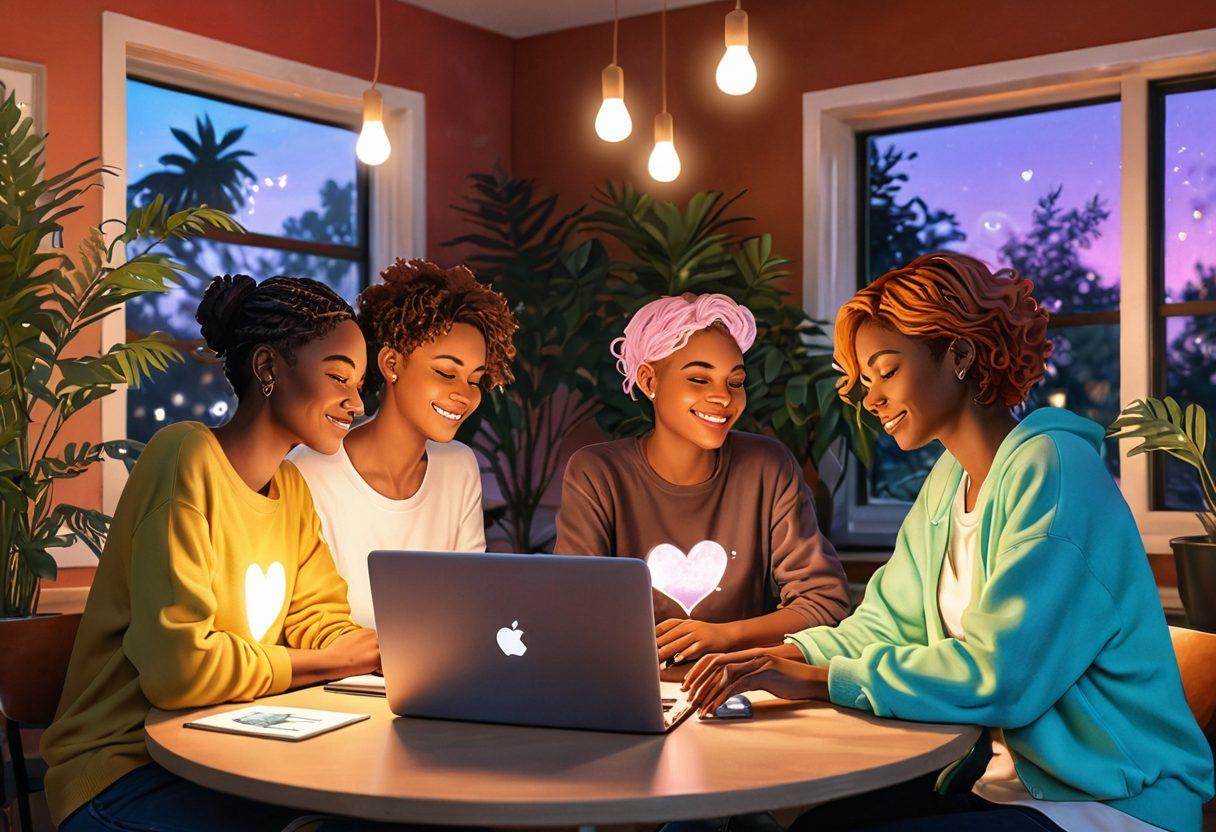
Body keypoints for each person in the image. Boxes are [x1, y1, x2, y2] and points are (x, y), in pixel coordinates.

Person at [683, 253, 1215, 832]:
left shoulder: (1055, 471)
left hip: (1109, 804)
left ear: (959, 355)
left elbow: (1003, 674)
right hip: (1004, 785)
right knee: (817, 828)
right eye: (865, 381)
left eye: (887, 371)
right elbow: (887, 624)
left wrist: (817, 681)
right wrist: (784, 657)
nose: (872, 399)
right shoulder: (948, 482)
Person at [43, 275, 380, 831]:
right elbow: (179, 672)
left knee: (369, 819)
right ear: (268, 367)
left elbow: (320, 621)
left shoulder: (291, 488)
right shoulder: (184, 456)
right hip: (124, 773)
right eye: (338, 376)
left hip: (229, 752)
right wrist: (328, 662)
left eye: (360, 382)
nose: (356, 401)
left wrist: (387, 650)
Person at [555, 293, 849, 665]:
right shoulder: (597, 473)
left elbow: (824, 602)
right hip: (629, 687)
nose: (722, 397)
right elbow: (575, 607)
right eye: (699, 378)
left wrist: (723, 637)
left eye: (735, 382)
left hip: (739, 687)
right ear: (648, 380)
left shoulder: (766, 466)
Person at [289, 259, 518, 627]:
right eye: (446, 373)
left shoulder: (459, 466)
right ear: (392, 363)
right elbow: (305, 620)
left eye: (475, 380)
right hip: (344, 679)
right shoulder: (309, 469)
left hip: (445, 675)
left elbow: (471, 602)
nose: (465, 395)